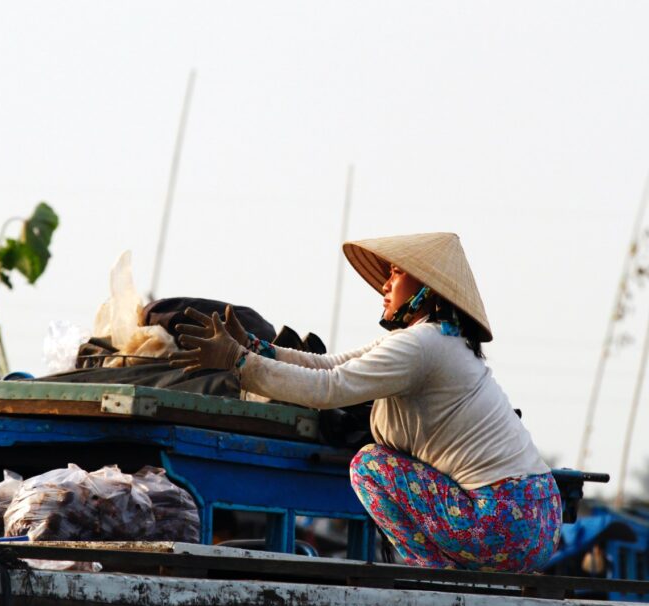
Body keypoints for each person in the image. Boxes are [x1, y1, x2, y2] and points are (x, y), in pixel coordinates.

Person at [170, 232, 561, 572]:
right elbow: (330, 363)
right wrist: (255, 349)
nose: (385, 286)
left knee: (369, 465)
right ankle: (445, 574)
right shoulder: (438, 338)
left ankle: (437, 575)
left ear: (426, 288)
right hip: (537, 517)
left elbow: (329, 388)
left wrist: (238, 362)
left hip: (501, 524)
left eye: (396, 274)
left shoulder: (421, 345)